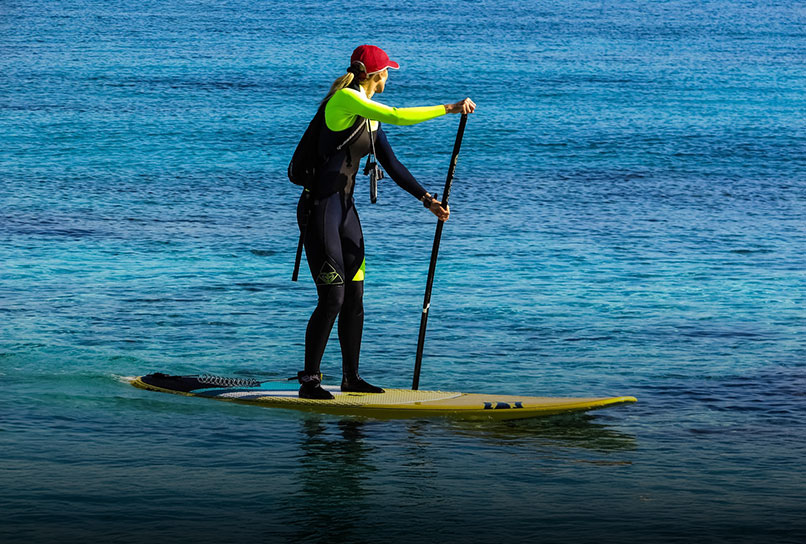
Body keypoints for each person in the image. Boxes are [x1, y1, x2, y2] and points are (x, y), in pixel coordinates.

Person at [296, 44, 476, 399]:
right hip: (319, 211)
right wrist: (449, 108)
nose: (389, 75)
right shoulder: (346, 100)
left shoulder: (370, 115)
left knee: (355, 297)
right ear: (374, 75)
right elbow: (397, 114)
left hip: (345, 212)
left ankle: (351, 378)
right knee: (332, 297)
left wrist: (427, 200)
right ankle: (310, 380)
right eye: (387, 71)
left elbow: (392, 165)